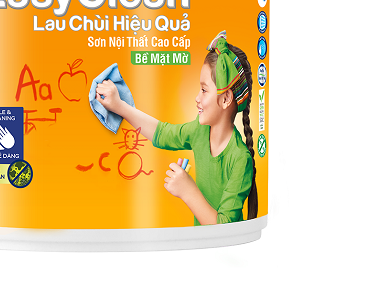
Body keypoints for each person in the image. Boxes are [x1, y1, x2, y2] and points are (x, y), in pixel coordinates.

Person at [96, 31, 257, 225]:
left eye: (204, 90)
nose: (197, 98)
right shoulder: (200, 130)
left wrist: (187, 190)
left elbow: (224, 229)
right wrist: (119, 106)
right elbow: (163, 133)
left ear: (226, 99)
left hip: (224, 244)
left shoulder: (240, 160)